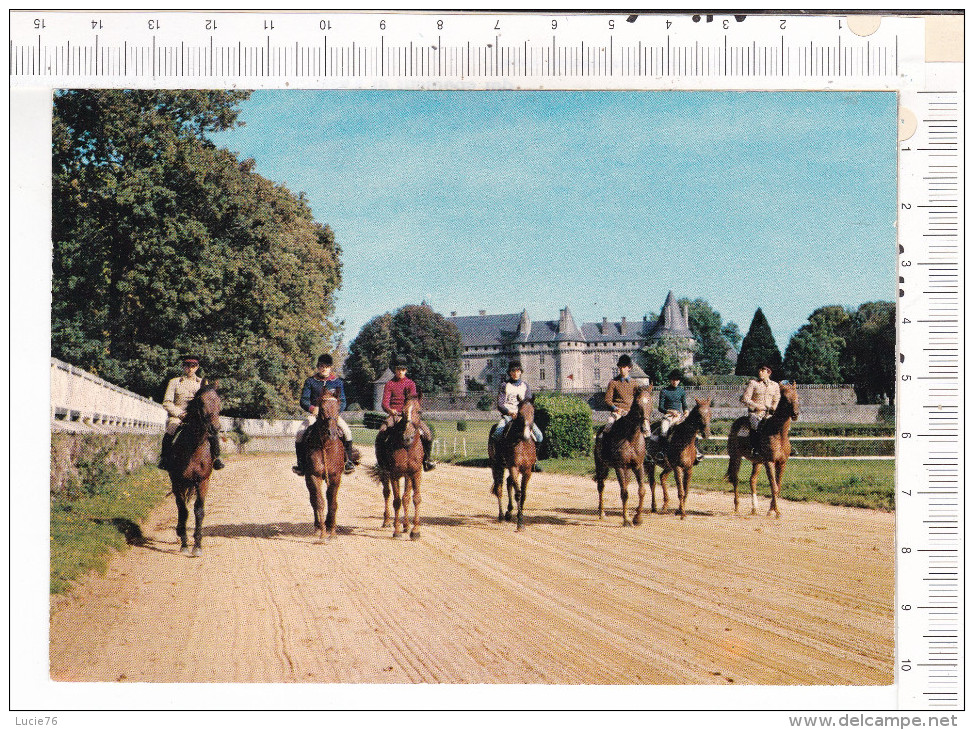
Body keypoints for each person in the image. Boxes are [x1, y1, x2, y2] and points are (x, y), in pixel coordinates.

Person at [292, 354, 361, 476]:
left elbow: (343, 401)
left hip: (332, 416)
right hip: (315, 415)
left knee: (347, 431)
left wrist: (335, 413)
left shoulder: (337, 382)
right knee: (300, 432)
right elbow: (304, 400)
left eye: (327, 367)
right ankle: (301, 463)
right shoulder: (310, 381)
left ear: (331, 368)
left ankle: (348, 461)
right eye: (322, 366)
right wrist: (312, 408)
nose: (324, 369)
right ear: (318, 367)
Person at [159, 355, 224, 470]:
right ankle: (164, 459)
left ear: (197, 367)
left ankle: (217, 458)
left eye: (193, 366)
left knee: (212, 432)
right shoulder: (174, 382)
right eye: (187, 366)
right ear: (183, 367)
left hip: (197, 416)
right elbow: (167, 402)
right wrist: (179, 413)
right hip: (179, 416)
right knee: (170, 432)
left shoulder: (203, 382)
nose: (190, 369)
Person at [379, 356, 435, 471]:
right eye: (398, 369)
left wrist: (409, 411)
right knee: (382, 432)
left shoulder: (410, 384)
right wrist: (390, 410)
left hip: (409, 414)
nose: (401, 372)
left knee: (428, 433)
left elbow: (413, 401)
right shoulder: (389, 384)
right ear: (395, 369)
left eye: (403, 370)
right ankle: (382, 462)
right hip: (395, 415)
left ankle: (427, 460)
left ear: (406, 370)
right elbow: (384, 403)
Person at [492, 361, 543, 444]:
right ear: (509, 373)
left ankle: (535, 455)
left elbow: (529, 403)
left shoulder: (525, 385)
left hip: (523, 417)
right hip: (509, 416)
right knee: (497, 433)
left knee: (539, 436)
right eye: (513, 371)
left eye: (518, 371)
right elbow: (500, 404)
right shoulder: (504, 385)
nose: (515, 373)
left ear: (520, 372)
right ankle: (498, 456)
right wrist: (509, 412)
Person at [741, 364, 781, 455]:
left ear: (769, 373)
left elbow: (776, 399)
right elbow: (744, 398)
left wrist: (773, 407)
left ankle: (785, 447)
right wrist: (756, 406)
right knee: (756, 425)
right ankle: (755, 448)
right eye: (759, 370)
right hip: (756, 413)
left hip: (770, 413)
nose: (760, 372)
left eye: (762, 371)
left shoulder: (775, 385)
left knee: (783, 425)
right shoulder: (753, 383)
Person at [602, 355, 637, 435]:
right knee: (608, 425)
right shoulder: (613, 382)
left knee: (643, 429)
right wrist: (615, 408)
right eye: (620, 367)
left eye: (624, 367)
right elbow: (607, 399)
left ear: (629, 368)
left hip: (630, 413)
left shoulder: (634, 383)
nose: (622, 369)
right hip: (617, 413)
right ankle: (603, 445)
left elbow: (637, 399)